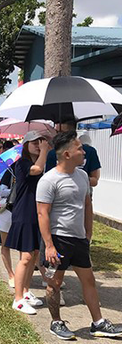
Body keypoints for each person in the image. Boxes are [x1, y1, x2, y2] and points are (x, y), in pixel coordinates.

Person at [37, 131, 122, 340]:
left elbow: (87, 204)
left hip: (79, 239)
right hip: (58, 239)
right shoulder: (49, 180)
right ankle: (56, 322)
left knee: (89, 280)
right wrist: (49, 245)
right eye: (79, 148)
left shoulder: (82, 175)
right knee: (54, 283)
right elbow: (42, 213)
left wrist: (88, 232)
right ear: (67, 154)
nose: (84, 151)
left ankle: (98, 322)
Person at [6, 131, 50, 315]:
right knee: (25, 258)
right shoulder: (23, 163)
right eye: (34, 142)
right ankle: (17, 299)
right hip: (23, 213)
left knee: (33, 255)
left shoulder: (36, 161)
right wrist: (45, 151)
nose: (38, 145)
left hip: (35, 214)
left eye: (41, 142)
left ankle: (25, 292)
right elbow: (37, 170)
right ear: (25, 145)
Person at [45, 119, 101, 189]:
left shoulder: (89, 151)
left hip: (83, 192)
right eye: (57, 131)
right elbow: (49, 180)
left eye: (62, 132)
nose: (58, 135)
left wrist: (79, 179)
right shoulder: (53, 153)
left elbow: (95, 181)